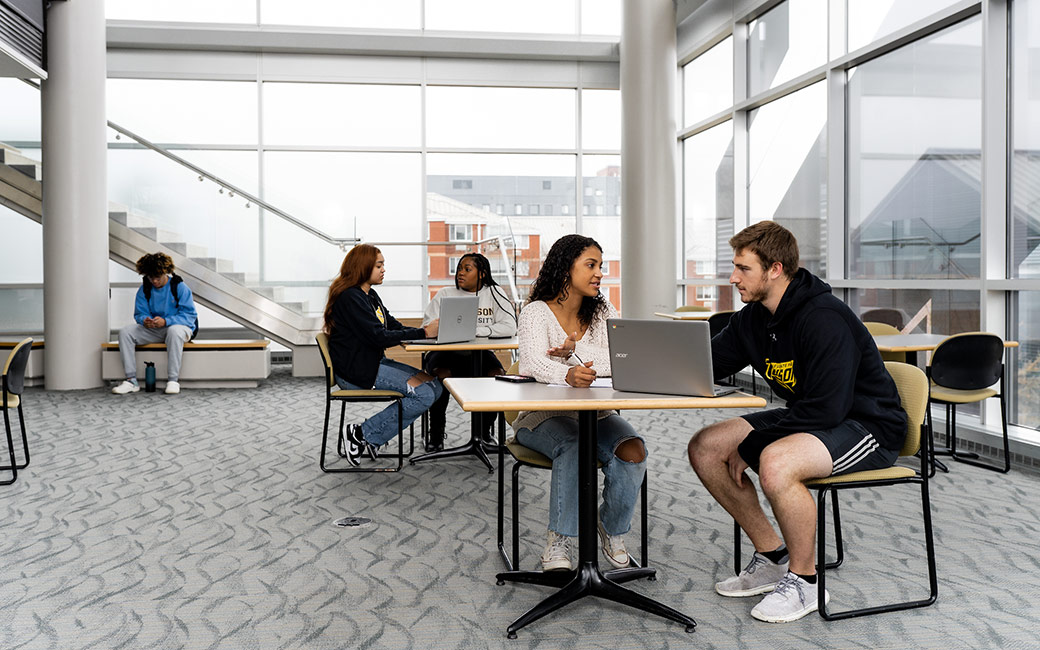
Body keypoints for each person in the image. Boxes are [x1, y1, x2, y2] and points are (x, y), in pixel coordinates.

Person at [686, 221, 906, 623]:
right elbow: (707, 364)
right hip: (814, 415)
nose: (733, 278)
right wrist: (642, 369)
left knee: (775, 461)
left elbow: (827, 409)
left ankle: (805, 582)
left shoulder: (824, 318)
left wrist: (753, 446)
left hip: (867, 426)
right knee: (706, 446)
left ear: (775, 269)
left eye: (743, 269)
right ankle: (773, 555)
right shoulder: (753, 317)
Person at [513, 234, 646, 572]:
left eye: (600, 265)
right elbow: (531, 363)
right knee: (573, 445)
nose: (599, 273)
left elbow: (625, 356)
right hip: (542, 418)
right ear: (565, 268)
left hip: (596, 414)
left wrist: (573, 354)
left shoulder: (602, 309)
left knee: (633, 451)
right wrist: (567, 375)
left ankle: (611, 529)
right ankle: (559, 538)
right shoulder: (535, 313)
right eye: (591, 265)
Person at [324, 244, 443, 466]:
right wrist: (424, 332)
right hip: (357, 373)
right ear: (363, 266)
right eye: (379, 265)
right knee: (425, 395)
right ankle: (361, 434)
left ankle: (370, 436)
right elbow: (379, 336)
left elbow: (391, 325)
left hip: (372, 363)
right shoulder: (350, 298)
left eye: (383, 265)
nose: (383, 270)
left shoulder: (369, 295)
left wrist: (423, 335)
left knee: (435, 387)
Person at [421, 252, 517, 450]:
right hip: (445, 354)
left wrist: (476, 331)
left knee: (497, 376)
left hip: (480, 354)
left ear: (482, 273)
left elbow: (510, 326)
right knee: (441, 376)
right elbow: (427, 327)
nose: (460, 274)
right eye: (459, 269)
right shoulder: (445, 294)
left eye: (467, 269)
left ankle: (482, 431)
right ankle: (436, 435)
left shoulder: (495, 293)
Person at [112, 252, 199, 396]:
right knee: (125, 332)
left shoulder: (180, 287)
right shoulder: (145, 289)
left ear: (165, 272)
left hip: (180, 328)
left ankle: (173, 380)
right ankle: (131, 381)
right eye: (150, 277)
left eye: (157, 277)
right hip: (155, 330)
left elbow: (189, 316)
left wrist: (166, 321)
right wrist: (145, 320)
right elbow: (139, 314)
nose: (154, 281)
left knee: (174, 331)